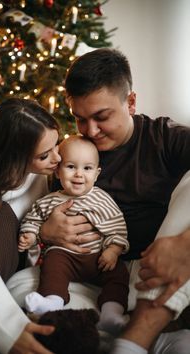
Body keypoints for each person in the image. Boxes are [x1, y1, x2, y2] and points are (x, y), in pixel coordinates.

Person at [34, 48, 190, 353]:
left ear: (130, 102)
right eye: (80, 119)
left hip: (159, 266)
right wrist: (44, 232)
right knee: (25, 296)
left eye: (101, 117)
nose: (91, 131)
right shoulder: (72, 155)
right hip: (92, 272)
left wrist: (186, 241)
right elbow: (42, 209)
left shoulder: (167, 138)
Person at [0, 98, 96, 354]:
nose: (57, 159)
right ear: (15, 157)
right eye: (44, 155)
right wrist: (8, 327)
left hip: (28, 258)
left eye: (57, 145)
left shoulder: (41, 176)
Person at [18, 135, 130, 335]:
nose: (79, 174)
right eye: (71, 167)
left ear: (96, 174)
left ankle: (111, 313)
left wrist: (113, 250)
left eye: (87, 168)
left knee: (119, 273)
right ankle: (51, 302)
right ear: (58, 172)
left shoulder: (101, 199)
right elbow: (33, 219)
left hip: (98, 257)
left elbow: (117, 227)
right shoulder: (49, 201)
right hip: (65, 256)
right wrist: (30, 234)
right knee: (52, 264)